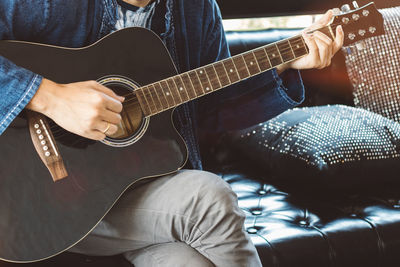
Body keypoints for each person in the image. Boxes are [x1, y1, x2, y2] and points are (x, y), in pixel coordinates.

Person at [0, 0, 344, 266]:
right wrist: (49, 97)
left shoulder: (196, 10)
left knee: (186, 262)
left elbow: (210, 111)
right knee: (208, 198)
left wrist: (284, 60)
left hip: (142, 199)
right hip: (41, 202)